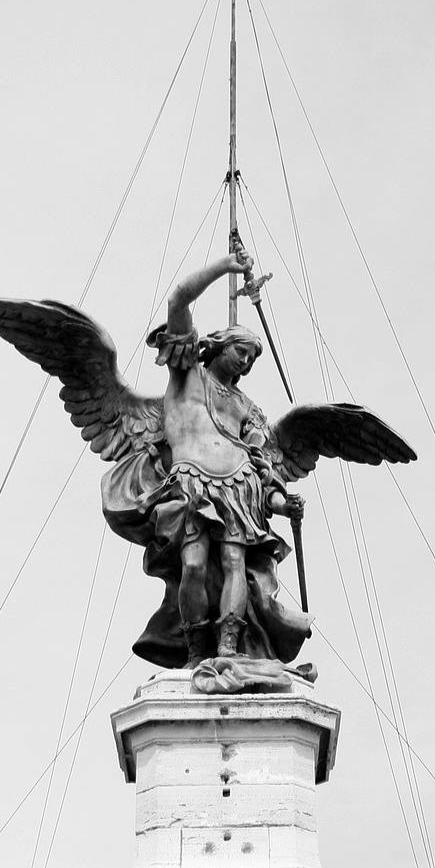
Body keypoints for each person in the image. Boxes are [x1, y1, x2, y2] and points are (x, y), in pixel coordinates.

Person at [103, 255, 311, 667]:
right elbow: (178, 300)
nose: (246, 363)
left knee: (235, 562)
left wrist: (284, 505)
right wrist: (226, 267)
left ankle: (230, 648)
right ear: (219, 345)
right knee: (193, 566)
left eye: (253, 359)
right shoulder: (186, 374)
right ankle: (197, 648)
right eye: (241, 351)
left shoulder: (247, 408)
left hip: (238, 490)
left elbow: (262, 469)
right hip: (191, 485)